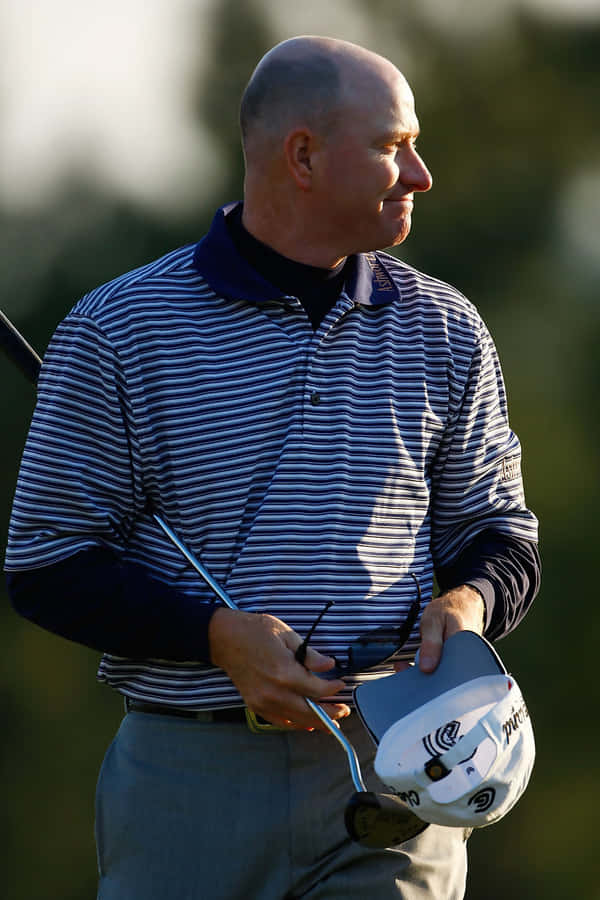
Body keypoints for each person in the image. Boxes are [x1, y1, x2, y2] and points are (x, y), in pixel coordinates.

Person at [5, 35, 540, 900]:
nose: (421, 174)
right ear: (303, 156)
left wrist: (470, 601)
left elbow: (500, 531)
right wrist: (217, 638)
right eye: (393, 147)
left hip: (402, 768)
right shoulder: (117, 330)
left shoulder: (445, 328)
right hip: (189, 779)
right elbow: (47, 564)